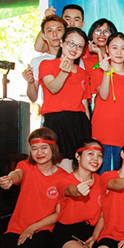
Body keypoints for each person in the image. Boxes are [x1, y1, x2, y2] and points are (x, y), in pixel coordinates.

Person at [53, 139, 104, 248]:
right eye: (90, 153)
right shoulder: (65, 180)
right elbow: (68, 190)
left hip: (90, 234)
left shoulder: (102, 182)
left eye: (99, 155)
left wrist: (95, 236)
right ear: (78, 156)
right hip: (66, 233)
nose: (95, 159)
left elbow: (103, 214)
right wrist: (78, 190)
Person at [39, 27, 91, 168]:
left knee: (78, 168)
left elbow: (84, 104)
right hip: (56, 122)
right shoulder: (47, 65)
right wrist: (64, 72)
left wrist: (88, 130)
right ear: (62, 42)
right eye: (71, 43)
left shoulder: (83, 73)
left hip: (78, 123)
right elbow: (53, 88)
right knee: (58, 166)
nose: (74, 49)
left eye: (79, 46)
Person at [91, 33, 124, 173]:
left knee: (120, 176)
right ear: (107, 49)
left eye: (123, 48)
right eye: (114, 48)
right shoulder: (98, 72)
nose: (119, 52)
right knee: (100, 175)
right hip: (102, 132)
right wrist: (107, 72)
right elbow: (103, 95)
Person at [23, 15, 67, 103]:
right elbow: (33, 98)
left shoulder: (74, 58)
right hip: (50, 110)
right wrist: (30, 82)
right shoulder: (37, 61)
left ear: (65, 33)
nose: (55, 34)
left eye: (59, 30)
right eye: (49, 31)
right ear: (43, 36)